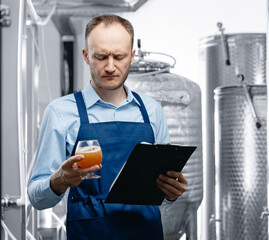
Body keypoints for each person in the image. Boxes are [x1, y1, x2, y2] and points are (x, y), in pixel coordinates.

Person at [28, 14, 188, 240]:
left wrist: (172, 191)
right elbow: (36, 197)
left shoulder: (152, 110)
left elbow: (161, 186)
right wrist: (59, 180)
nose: (110, 66)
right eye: (101, 56)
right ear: (86, 56)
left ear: (132, 57)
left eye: (119, 57)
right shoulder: (60, 113)